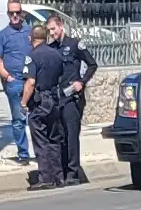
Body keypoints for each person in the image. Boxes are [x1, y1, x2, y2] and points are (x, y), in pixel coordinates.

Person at [24, 14, 96, 188]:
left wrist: (82, 82)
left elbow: (92, 64)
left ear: (61, 26)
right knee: (59, 136)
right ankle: (60, 173)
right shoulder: (51, 49)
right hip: (56, 98)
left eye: (53, 29)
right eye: (49, 30)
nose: (52, 33)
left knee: (71, 136)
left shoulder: (74, 45)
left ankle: (72, 173)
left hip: (72, 97)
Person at [0, 3, 36, 164]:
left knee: (37, 118)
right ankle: (23, 154)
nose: (15, 15)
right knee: (18, 119)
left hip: (32, 80)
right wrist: (6, 75)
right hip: (14, 82)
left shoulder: (30, 32)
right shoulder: (3, 35)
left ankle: (41, 152)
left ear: (22, 13)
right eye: (11, 13)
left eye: (17, 12)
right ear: (8, 14)